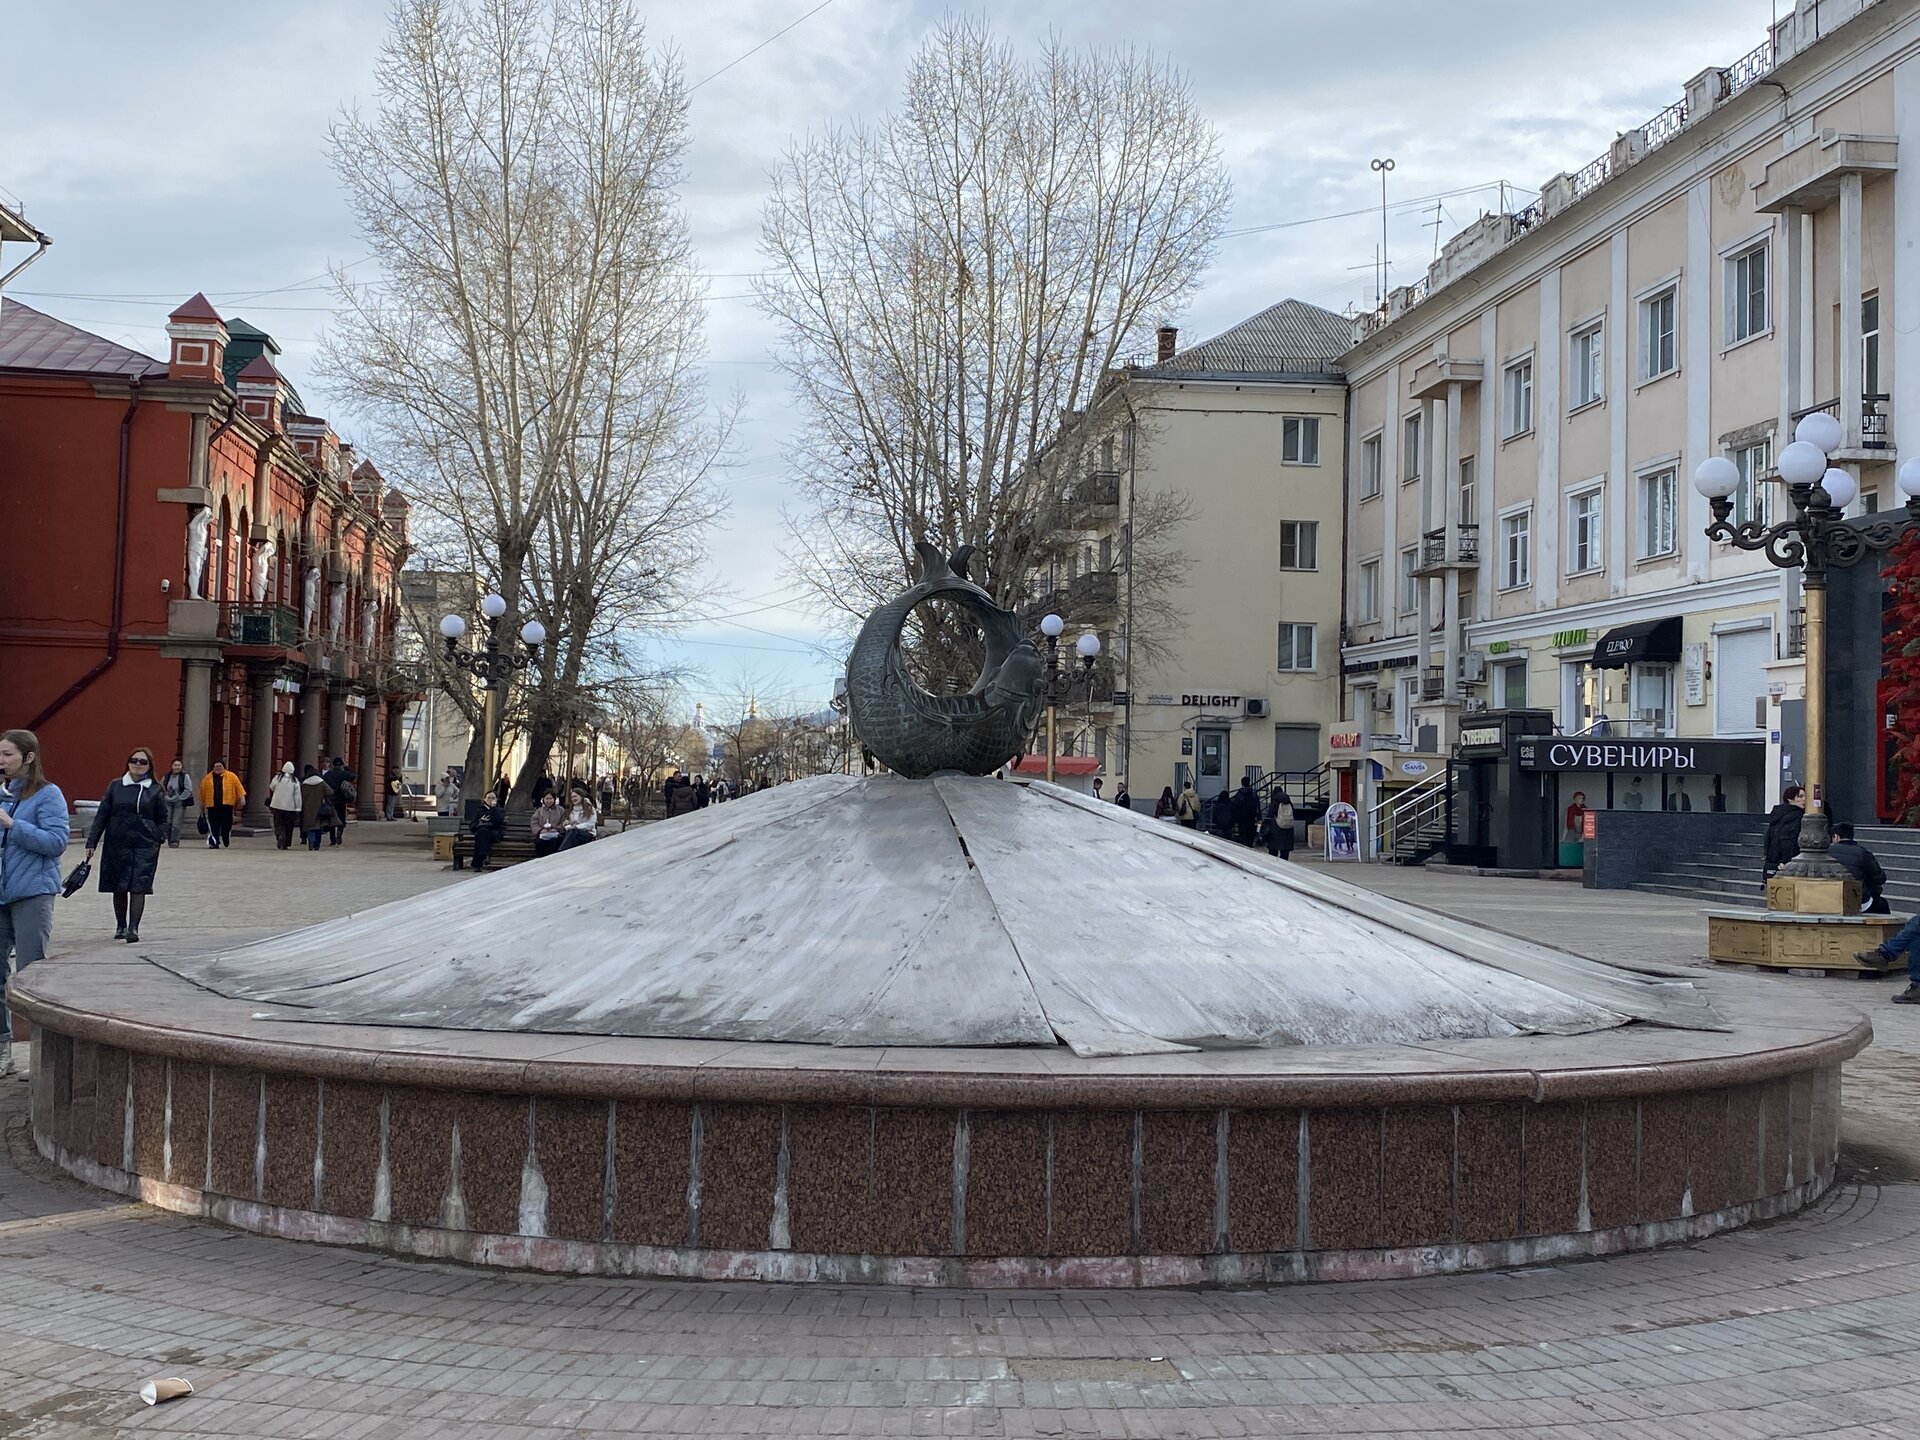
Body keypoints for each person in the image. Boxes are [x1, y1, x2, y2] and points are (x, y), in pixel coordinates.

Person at [0, 730, 69, 1078]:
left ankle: (41, 1059)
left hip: (32, 893)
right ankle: (3, 1052)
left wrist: (12, 825)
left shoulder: (48, 794)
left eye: (7, 754)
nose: (1, 761)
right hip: (0, 893)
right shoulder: (2, 793)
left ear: (28, 757)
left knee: (31, 976)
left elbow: (56, 842)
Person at [85, 745, 168, 942]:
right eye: (134, 760)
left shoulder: (155, 789)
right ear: (128, 764)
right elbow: (102, 815)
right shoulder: (116, 786)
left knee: (139, 885)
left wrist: (158, 836)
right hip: (117, 841)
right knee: (119, 884)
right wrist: (92, 841)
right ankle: (121, 925)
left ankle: (133, 928)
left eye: (143, 762)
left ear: (149, 766)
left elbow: (163, 818)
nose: (138, 764)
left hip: (145, 844)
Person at [1831, 823, 1890, 913]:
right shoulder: (1863, 852)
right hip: (1859, 900)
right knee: (1882, 906)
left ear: (1836, 836)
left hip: (1831, 897)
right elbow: (1880, 878)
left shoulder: (1827, 852)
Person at [1764, 784, 1807, 880]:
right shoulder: (1798, 816)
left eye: (1805, 796)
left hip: (1775, 861)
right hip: (1788, 862)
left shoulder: (1777, 815)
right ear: (1790, 799)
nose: (1804, 799)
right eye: (1800, 796)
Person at [199, 760, 244, 848]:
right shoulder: (207, 778)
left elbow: (239, 787)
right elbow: (202, 792)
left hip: (227, 804)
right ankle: (214, 842)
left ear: (224, 767)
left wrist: (242, 797)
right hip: (212, 805)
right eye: (216, 766)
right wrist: (202, 803)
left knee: (226, 824)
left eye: (220, 766)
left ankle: (225, 836)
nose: (218, 768)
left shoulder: (231, 776)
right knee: (213, 825)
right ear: (213, 768)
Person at [469, 788, 507, 873]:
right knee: (482, 832)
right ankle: (484, 855)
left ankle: (477, 863)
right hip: (481, 831)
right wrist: (480, 821)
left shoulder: (500, 810)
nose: (490, 800)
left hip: (494, 833)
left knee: (482, 835)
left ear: (496, 800)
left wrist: (493, 808)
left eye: (493, 798)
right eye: (488, 798)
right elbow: (472, 825)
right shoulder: (479, 810)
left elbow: (497, 822)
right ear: (484, 799)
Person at [267, 762, 303, 850]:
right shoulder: (295, 781)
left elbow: (271, 787)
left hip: (277, 805)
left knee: (278, 823)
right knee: (288, 825)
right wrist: (298, 807)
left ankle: (280, 835)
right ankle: (286, 842)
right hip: (290, 807)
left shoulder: (277, 778)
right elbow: (297, 796)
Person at [160, 759, 194, 847]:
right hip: (167, 802)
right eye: (175, 765)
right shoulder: (167, 776)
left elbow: (188, 789)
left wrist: (179, 797)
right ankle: (170, 839)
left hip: (179, 803)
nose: (177, 767)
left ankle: (175, 841)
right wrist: (165, 796)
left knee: (176, 823)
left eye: (179, 765)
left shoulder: (185, 776)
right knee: (168, 822)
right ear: (171, 766)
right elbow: (161, 787)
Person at [299, 765, 334, 850]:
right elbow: (330, 792)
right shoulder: (321, 782)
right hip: (319, 807)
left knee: (309, 826)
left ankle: (311, 840)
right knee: (318, 827)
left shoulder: (304, 783)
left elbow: (300, 795)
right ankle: (317, 844)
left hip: (307, 807)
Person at [322, 757, 354, 845]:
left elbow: (323, 784)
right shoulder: (344, 774)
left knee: (332, 820)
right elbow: (353, 775)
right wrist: (347, 768)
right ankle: (339, 834)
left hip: (331, 800)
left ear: (333, 765)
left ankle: (332, 839)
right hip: (341, 801)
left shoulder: (328, 774)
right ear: (341, 765)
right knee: (341, 819)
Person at [559, 783, 598, 852]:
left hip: (587, 833)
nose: (573, 799)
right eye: (572, 797)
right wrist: (566, 823)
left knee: (573, 832)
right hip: (573, 833)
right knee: (561, 836)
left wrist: (576, 827)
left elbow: (591, 824)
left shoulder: (589, 808)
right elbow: (570, 824)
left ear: (581, 796)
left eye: (575, 796)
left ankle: (561, 851)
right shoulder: (571, 809)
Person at [1262, 787, 1296, 859]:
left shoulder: (1275, 801)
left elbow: (1270, 813)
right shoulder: (1289, 801)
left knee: (1273, 851)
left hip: (1276, 828)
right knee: (1285, 852)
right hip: (1288, 829)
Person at [530, 792, 568, 857]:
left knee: (555, 843)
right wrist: (540, 830)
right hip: (543, 835)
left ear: (554, 799)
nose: (548, 801)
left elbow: (564, 822)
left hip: (556, 835)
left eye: (550, 798)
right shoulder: (539, 811)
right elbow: (534, 823)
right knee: (540, 843)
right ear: (543, 799)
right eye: (546, 799)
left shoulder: (560, 810)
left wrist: (557, 829)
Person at [1230, 778, 1260, 847]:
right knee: (1250, 835)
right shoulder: (1254, 794)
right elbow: (1257, 805)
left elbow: (1235, 806)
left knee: (1243, 835)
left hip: (1241, 817)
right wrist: (1258, 816)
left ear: (1242, 783)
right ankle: (1249, 847)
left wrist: (1234, 817)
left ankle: (1243, 847)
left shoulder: (1239, 794)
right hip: (1251, 817)